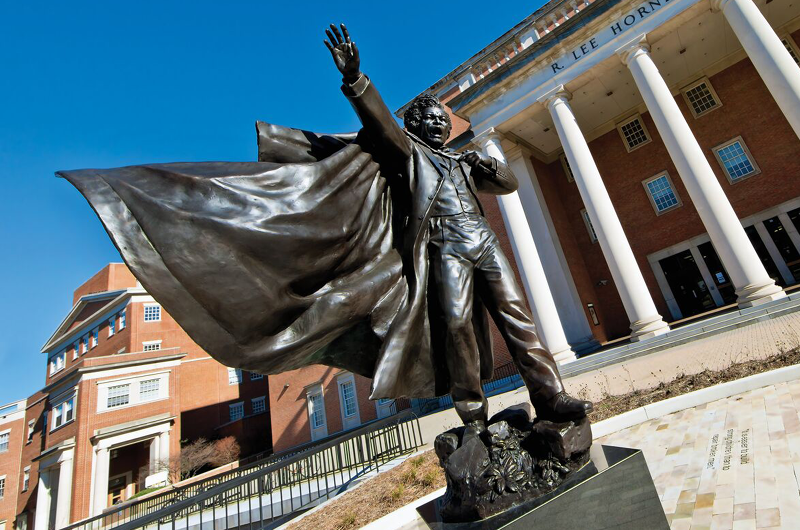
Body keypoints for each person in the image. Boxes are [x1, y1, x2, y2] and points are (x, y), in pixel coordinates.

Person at [324, 24, 592, 434]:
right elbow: (380, 122)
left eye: (441, 120)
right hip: (445, 245)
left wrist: (488, 165)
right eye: (428, 120)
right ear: (413, 126)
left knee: (516, 316)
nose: (437, 125)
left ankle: (550, 395)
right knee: (455, 324)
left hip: (483, 240)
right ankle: (473, 414)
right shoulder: (410, 155)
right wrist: (355, 79)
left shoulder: (464, 163)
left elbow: (509, 184)